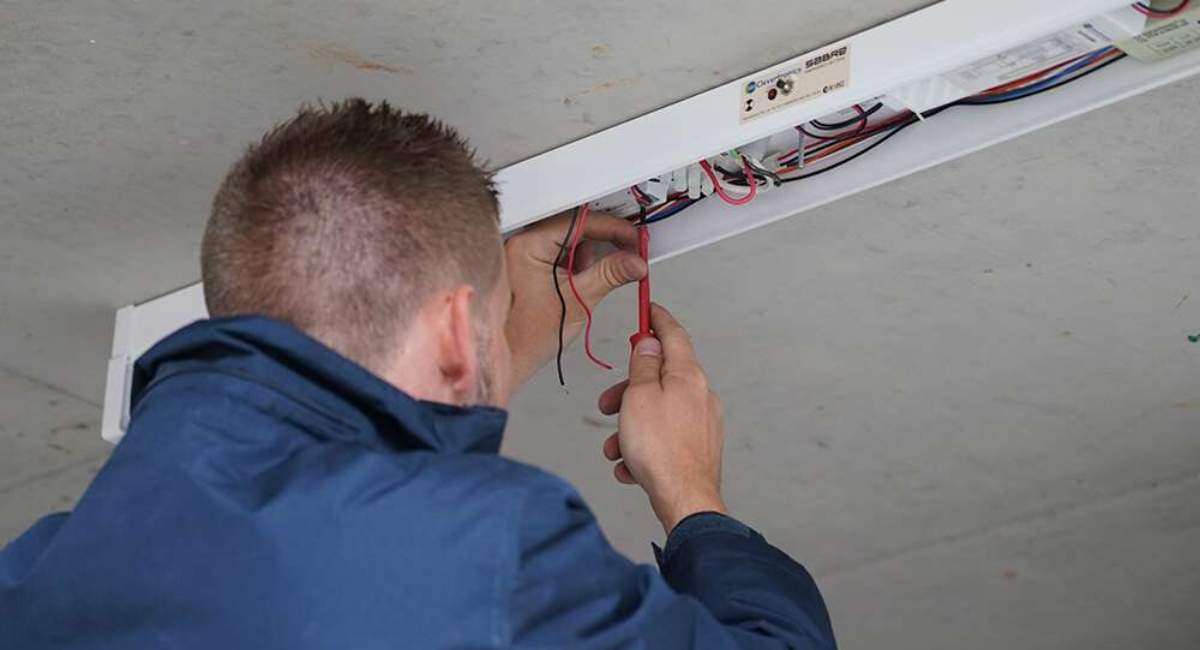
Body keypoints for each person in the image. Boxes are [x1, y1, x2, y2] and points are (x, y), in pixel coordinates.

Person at [0, 99, 835, 648]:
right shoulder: (493, 551)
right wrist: (694, 499)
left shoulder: (38, 572)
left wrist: (490, 360)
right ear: (449, 329)